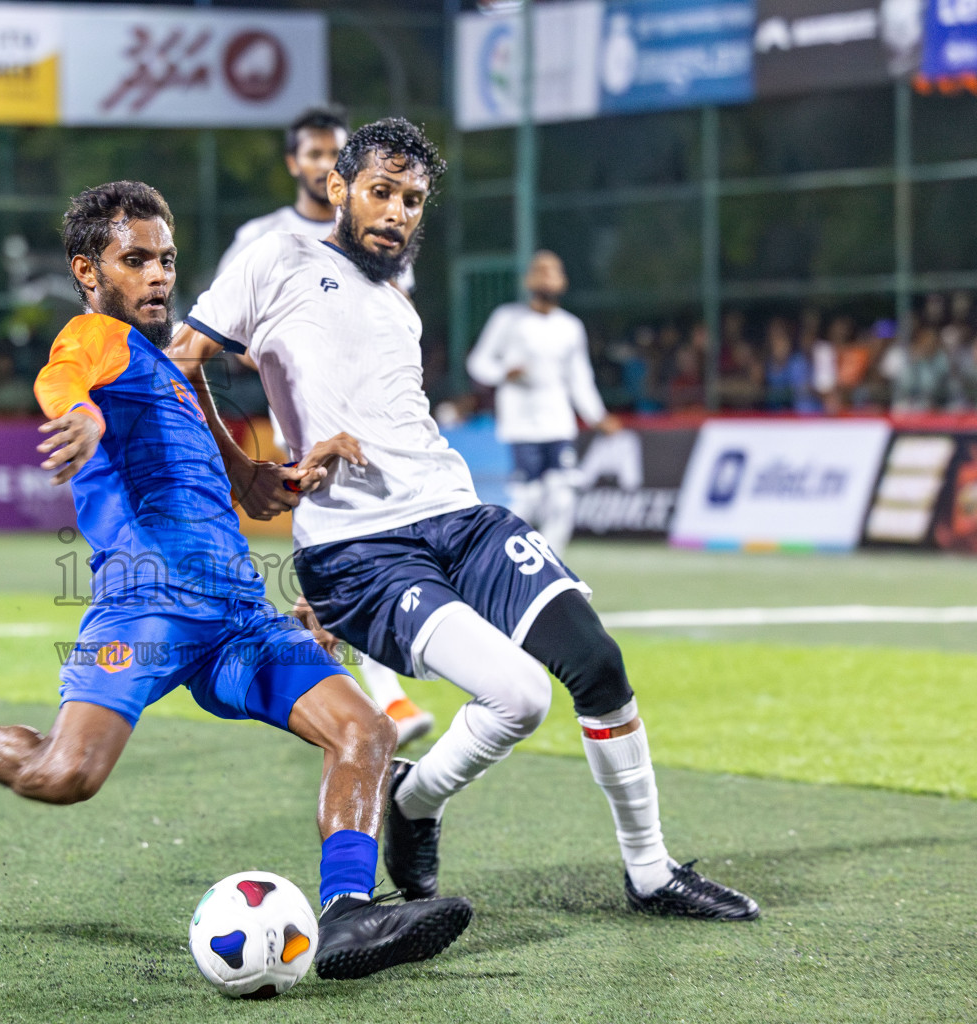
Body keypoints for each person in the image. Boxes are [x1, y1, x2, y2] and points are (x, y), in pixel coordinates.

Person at [0, 181, 473, 980]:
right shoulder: (96, 337)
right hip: (146, 609)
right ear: (89, 271)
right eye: (136, 260)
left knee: (366, 731)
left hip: (238, 613)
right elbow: (61, 378)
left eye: (166, 259)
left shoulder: (170, 369)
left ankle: (346, 913)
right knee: (64, 776)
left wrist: (262, 479)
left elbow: (213, 454)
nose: (159, 275)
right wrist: (81, 414)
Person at [173, 118, 759, 921]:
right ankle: (413, 810)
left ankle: (648, 871)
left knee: (598, 666)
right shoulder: (275, 259)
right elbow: (179, 365)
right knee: (519, 699)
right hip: (359, 548)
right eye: (381, 192)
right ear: (340, 188)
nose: (397, 212)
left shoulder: (399, 302)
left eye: (412, 200)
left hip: (457, 511)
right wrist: (245, 472)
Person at [215, 106, 432, 745]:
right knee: (353, 536)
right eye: (310, 153)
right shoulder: (267, 235)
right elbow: (226, 324)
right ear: (297, 164)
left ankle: (321, 643)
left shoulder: (377, 234)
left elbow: (393, 317)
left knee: (358, 539)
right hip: (307, 409)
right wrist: (279, 348)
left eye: (331, 151)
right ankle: (378, 692)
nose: (319, 162)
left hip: (373, 414)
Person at [466, 250, 619, 555]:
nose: (548, 276)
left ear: (563, 280)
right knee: (529, 500)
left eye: (554, 271)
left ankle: (551, 565)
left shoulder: (570, 327)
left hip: (558, 422)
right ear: (528, 279)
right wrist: (503, 372)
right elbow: (478, 362)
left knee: (563, 497)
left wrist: (597, 416)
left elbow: (580, 378)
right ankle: (509, 561)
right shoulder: (507, 318)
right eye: (541, 270)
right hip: (521, 423)